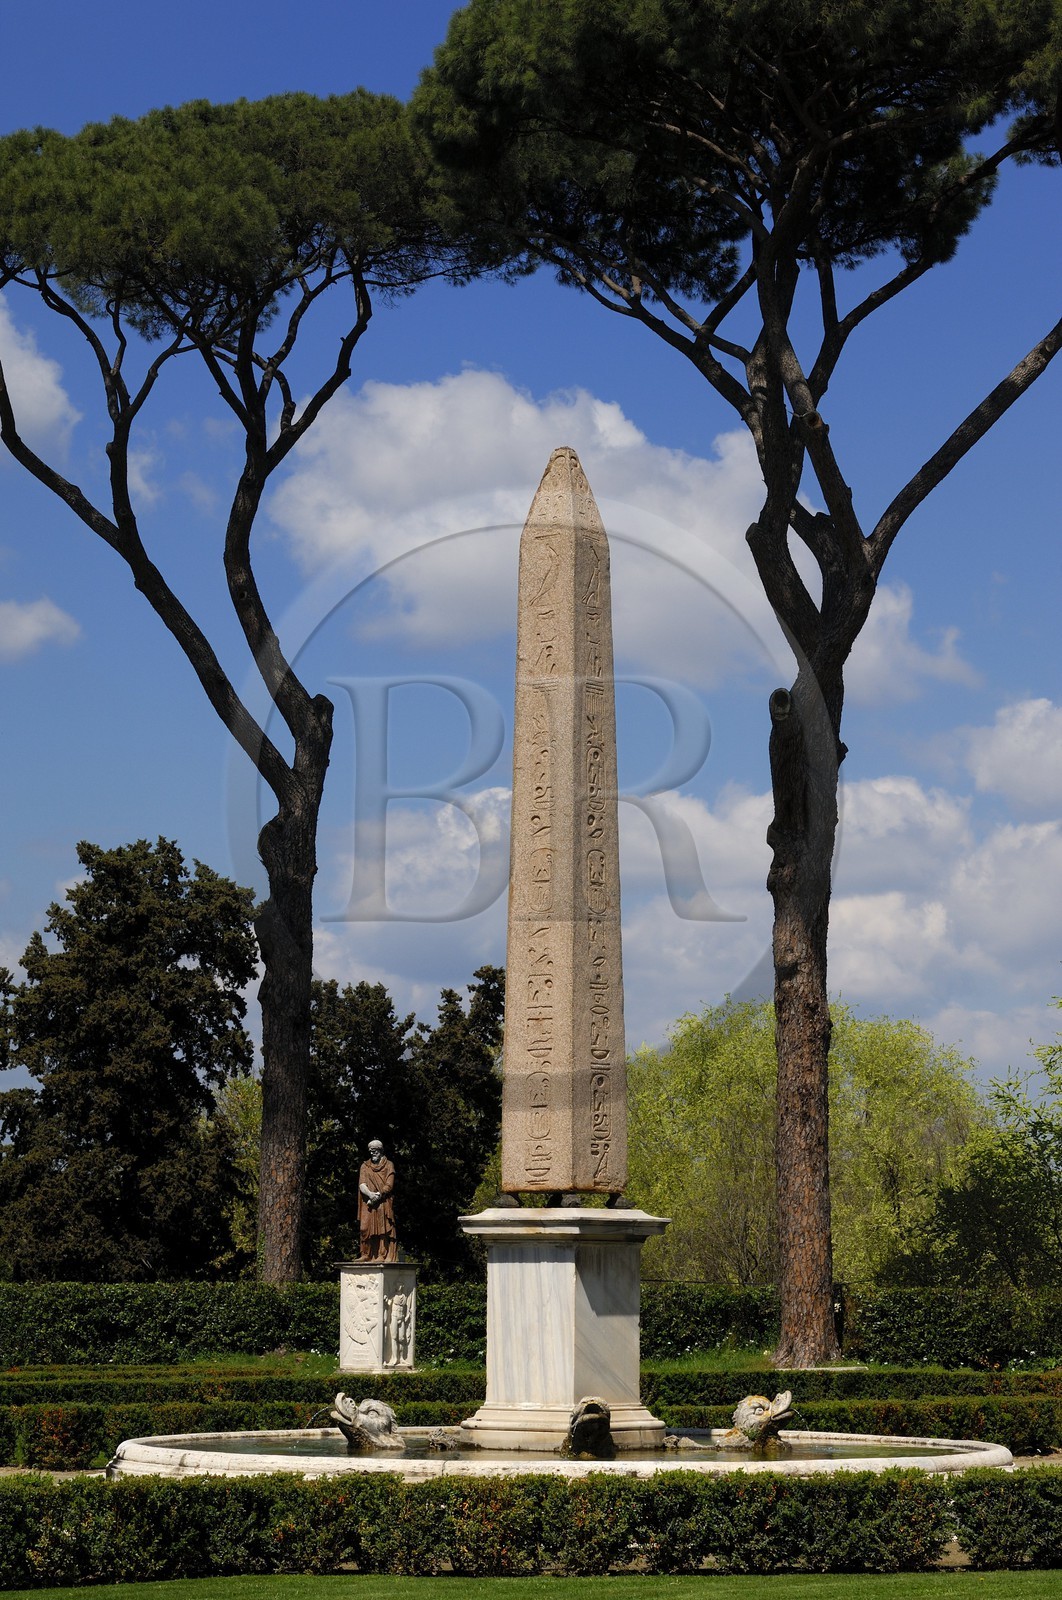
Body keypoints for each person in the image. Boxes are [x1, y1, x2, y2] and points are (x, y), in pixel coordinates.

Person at [358, 1139, 397, 1262]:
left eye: (374, 1151)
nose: (372, 1153)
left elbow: (389, 1184)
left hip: (383, 1200)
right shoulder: (365, 1166)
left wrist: (378, 1195)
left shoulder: (389, 1165)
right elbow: (362, 1184)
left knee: (382, 1228)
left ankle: (382, 1254)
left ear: (380, 1150)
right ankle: (366, 1254)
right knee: (365, 1228)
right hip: (368, 1202)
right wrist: (370, 1195)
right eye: (370, 1151)